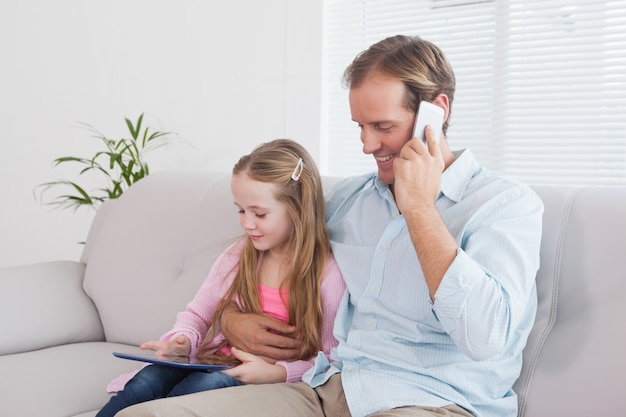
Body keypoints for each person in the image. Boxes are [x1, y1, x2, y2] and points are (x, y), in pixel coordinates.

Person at [117, 35, 544, 417]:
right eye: (360, 126)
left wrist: (419, 209)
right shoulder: (349, 201)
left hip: (433, 402)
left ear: (436, 111)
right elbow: (276, 242)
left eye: (384, 127)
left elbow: (486, 337)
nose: (367, 145)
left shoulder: (504, 205)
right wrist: (230, 318)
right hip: (326, 388)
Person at [96, 138, 345, 417]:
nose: (247, 223)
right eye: (241, 210)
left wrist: (277, 372)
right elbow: (197, 315)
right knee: (147, 380)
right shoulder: (238, 255)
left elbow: (332, 358)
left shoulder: (327, 274)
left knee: (204, 386)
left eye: (259, 214)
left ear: (298, 208)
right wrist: (183, 341)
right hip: (214, 360)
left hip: (261, 380)